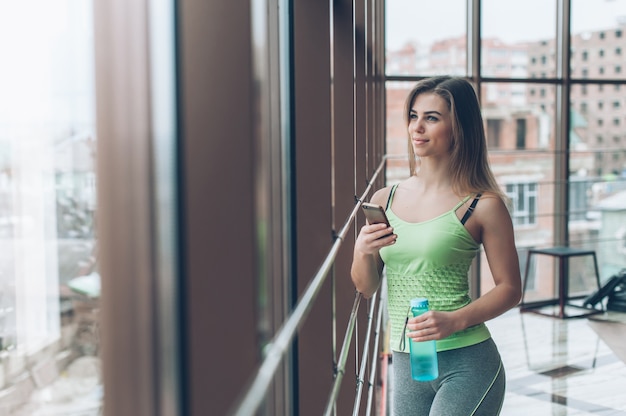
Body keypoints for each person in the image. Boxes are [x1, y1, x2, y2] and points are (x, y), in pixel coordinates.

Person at [351, 76, 522, 415]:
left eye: (432, 117)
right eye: (413, 116)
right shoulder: (385, 198)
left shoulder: (482, 204)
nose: (417, 127)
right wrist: (362, 250)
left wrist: (455, 320)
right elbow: (366, 286)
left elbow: (511, 289)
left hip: (467, 363)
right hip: (407, 361)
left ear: (459, 127)